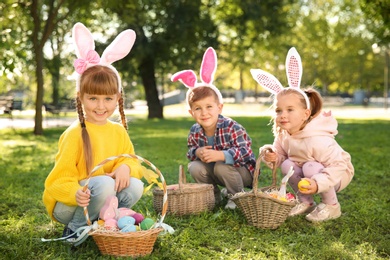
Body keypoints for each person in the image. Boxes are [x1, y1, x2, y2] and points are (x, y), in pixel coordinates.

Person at [42, 23, 145, 241]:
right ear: (81, 97)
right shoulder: (75, 133)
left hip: (102, 199)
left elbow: (132, 160)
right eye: (93, 98)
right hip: (70, 206)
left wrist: (126, 167)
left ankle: (107, 221)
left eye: (108, 98)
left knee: (135, 185)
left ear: (118, 98)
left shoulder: (118, 131)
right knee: (106, 183)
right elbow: (56, 181)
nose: (101, 106)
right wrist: (74, 193)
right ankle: (76, 229)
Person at [251, 47, 354, 222]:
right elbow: (281, 158)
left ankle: (332, 206)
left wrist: (317, 183)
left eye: (290, 110)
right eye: (278, 110)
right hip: (310, 174)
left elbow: (338, 166)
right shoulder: (284, 134)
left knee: (310, 167)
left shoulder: (318, 139)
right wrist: (273, 157)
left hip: (335, 175)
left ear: (306, 114)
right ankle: (305, 201)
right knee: (287, 165)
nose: (282, 115)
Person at [171, 47, 256, 210]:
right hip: (216, 172)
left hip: (242, 173)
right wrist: (197, 152)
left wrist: (222, 155)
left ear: (220, 107)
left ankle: (236, 197)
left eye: (209, 106)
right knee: (194, 167)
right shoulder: (195, 130)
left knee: (221, 165)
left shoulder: (232, 127)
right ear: (191, 112)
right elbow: (190, 151)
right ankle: (212, 196)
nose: (204, 113)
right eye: (198, 108)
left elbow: (246, 152)